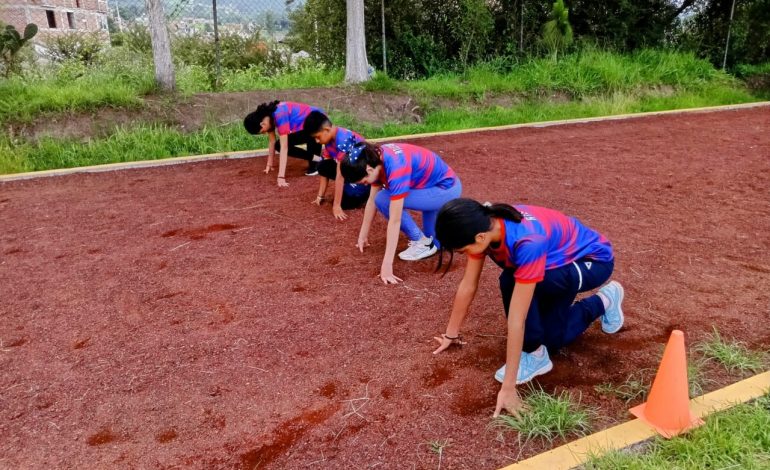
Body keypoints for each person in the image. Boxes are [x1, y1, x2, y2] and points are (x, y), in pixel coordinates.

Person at [431, 198, 625, 417]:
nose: (464, 254)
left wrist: (509, 389)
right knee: (523, 297)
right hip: (554, 260)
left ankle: (538, 350)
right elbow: (468, 284)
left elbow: (517, 318)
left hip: (590, 261)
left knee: (517, 287)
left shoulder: (527, 243)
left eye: (463, 250)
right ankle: (598, 305)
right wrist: (451, 334)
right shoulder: (480, 225)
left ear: (480, 238)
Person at [340, 142, 462, 284]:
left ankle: (421, 241)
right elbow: (371, 200)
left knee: (383, 199)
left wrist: (387, 266)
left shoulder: (395, 167)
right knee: (437, 244)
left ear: (369, 170)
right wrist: (363, 235)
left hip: (445, 190)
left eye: (364, 181)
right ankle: (444, 234)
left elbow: (395, 220)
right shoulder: (374, 159)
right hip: (432, 186)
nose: (365, 184)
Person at [303, 111, 370, 220]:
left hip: (364, 173)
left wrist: (336, 206)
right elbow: (324, 168)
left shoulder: (343, 139)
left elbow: (340, 174)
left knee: (346, 204)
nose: (316, 141)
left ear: (326, 130)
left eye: (317, 137)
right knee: (322, 165)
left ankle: (368, 192)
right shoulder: (329, 139)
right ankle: (350, 187)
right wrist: (320, 196)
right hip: (351, 169)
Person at [243, 101, 324, 187]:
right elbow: (272, 142)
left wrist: (281, 177)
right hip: (307, 126)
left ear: (262, 124)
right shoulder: (267, 117)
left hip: (319, 122)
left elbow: (284, 148)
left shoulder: (279, 115)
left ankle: (319, 159)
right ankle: (318, 158)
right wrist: (269, 164)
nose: (264, 133)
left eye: (262, 131)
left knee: (314, 168)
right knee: (278, 145)